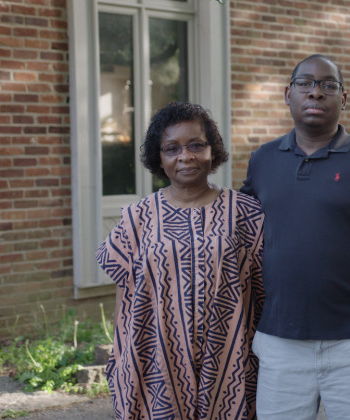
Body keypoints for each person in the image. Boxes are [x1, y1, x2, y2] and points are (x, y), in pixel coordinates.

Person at [240, 54, 350, 420]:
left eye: (328, 85)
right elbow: (240, 236)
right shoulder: (263, 161)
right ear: (288, 94)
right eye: (305, 84)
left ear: (343, 99)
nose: (315, 93)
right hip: (280, 342)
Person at [96, 102, 264, 420]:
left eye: (196, 145)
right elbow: (124, 298)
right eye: (171, 148)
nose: (185, 156)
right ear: (158, 158)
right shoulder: (137, 217)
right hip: (154, 364)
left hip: (230, 364)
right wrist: (119, 359)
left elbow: (266, 290)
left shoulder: (245, 212)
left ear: (212, 150)